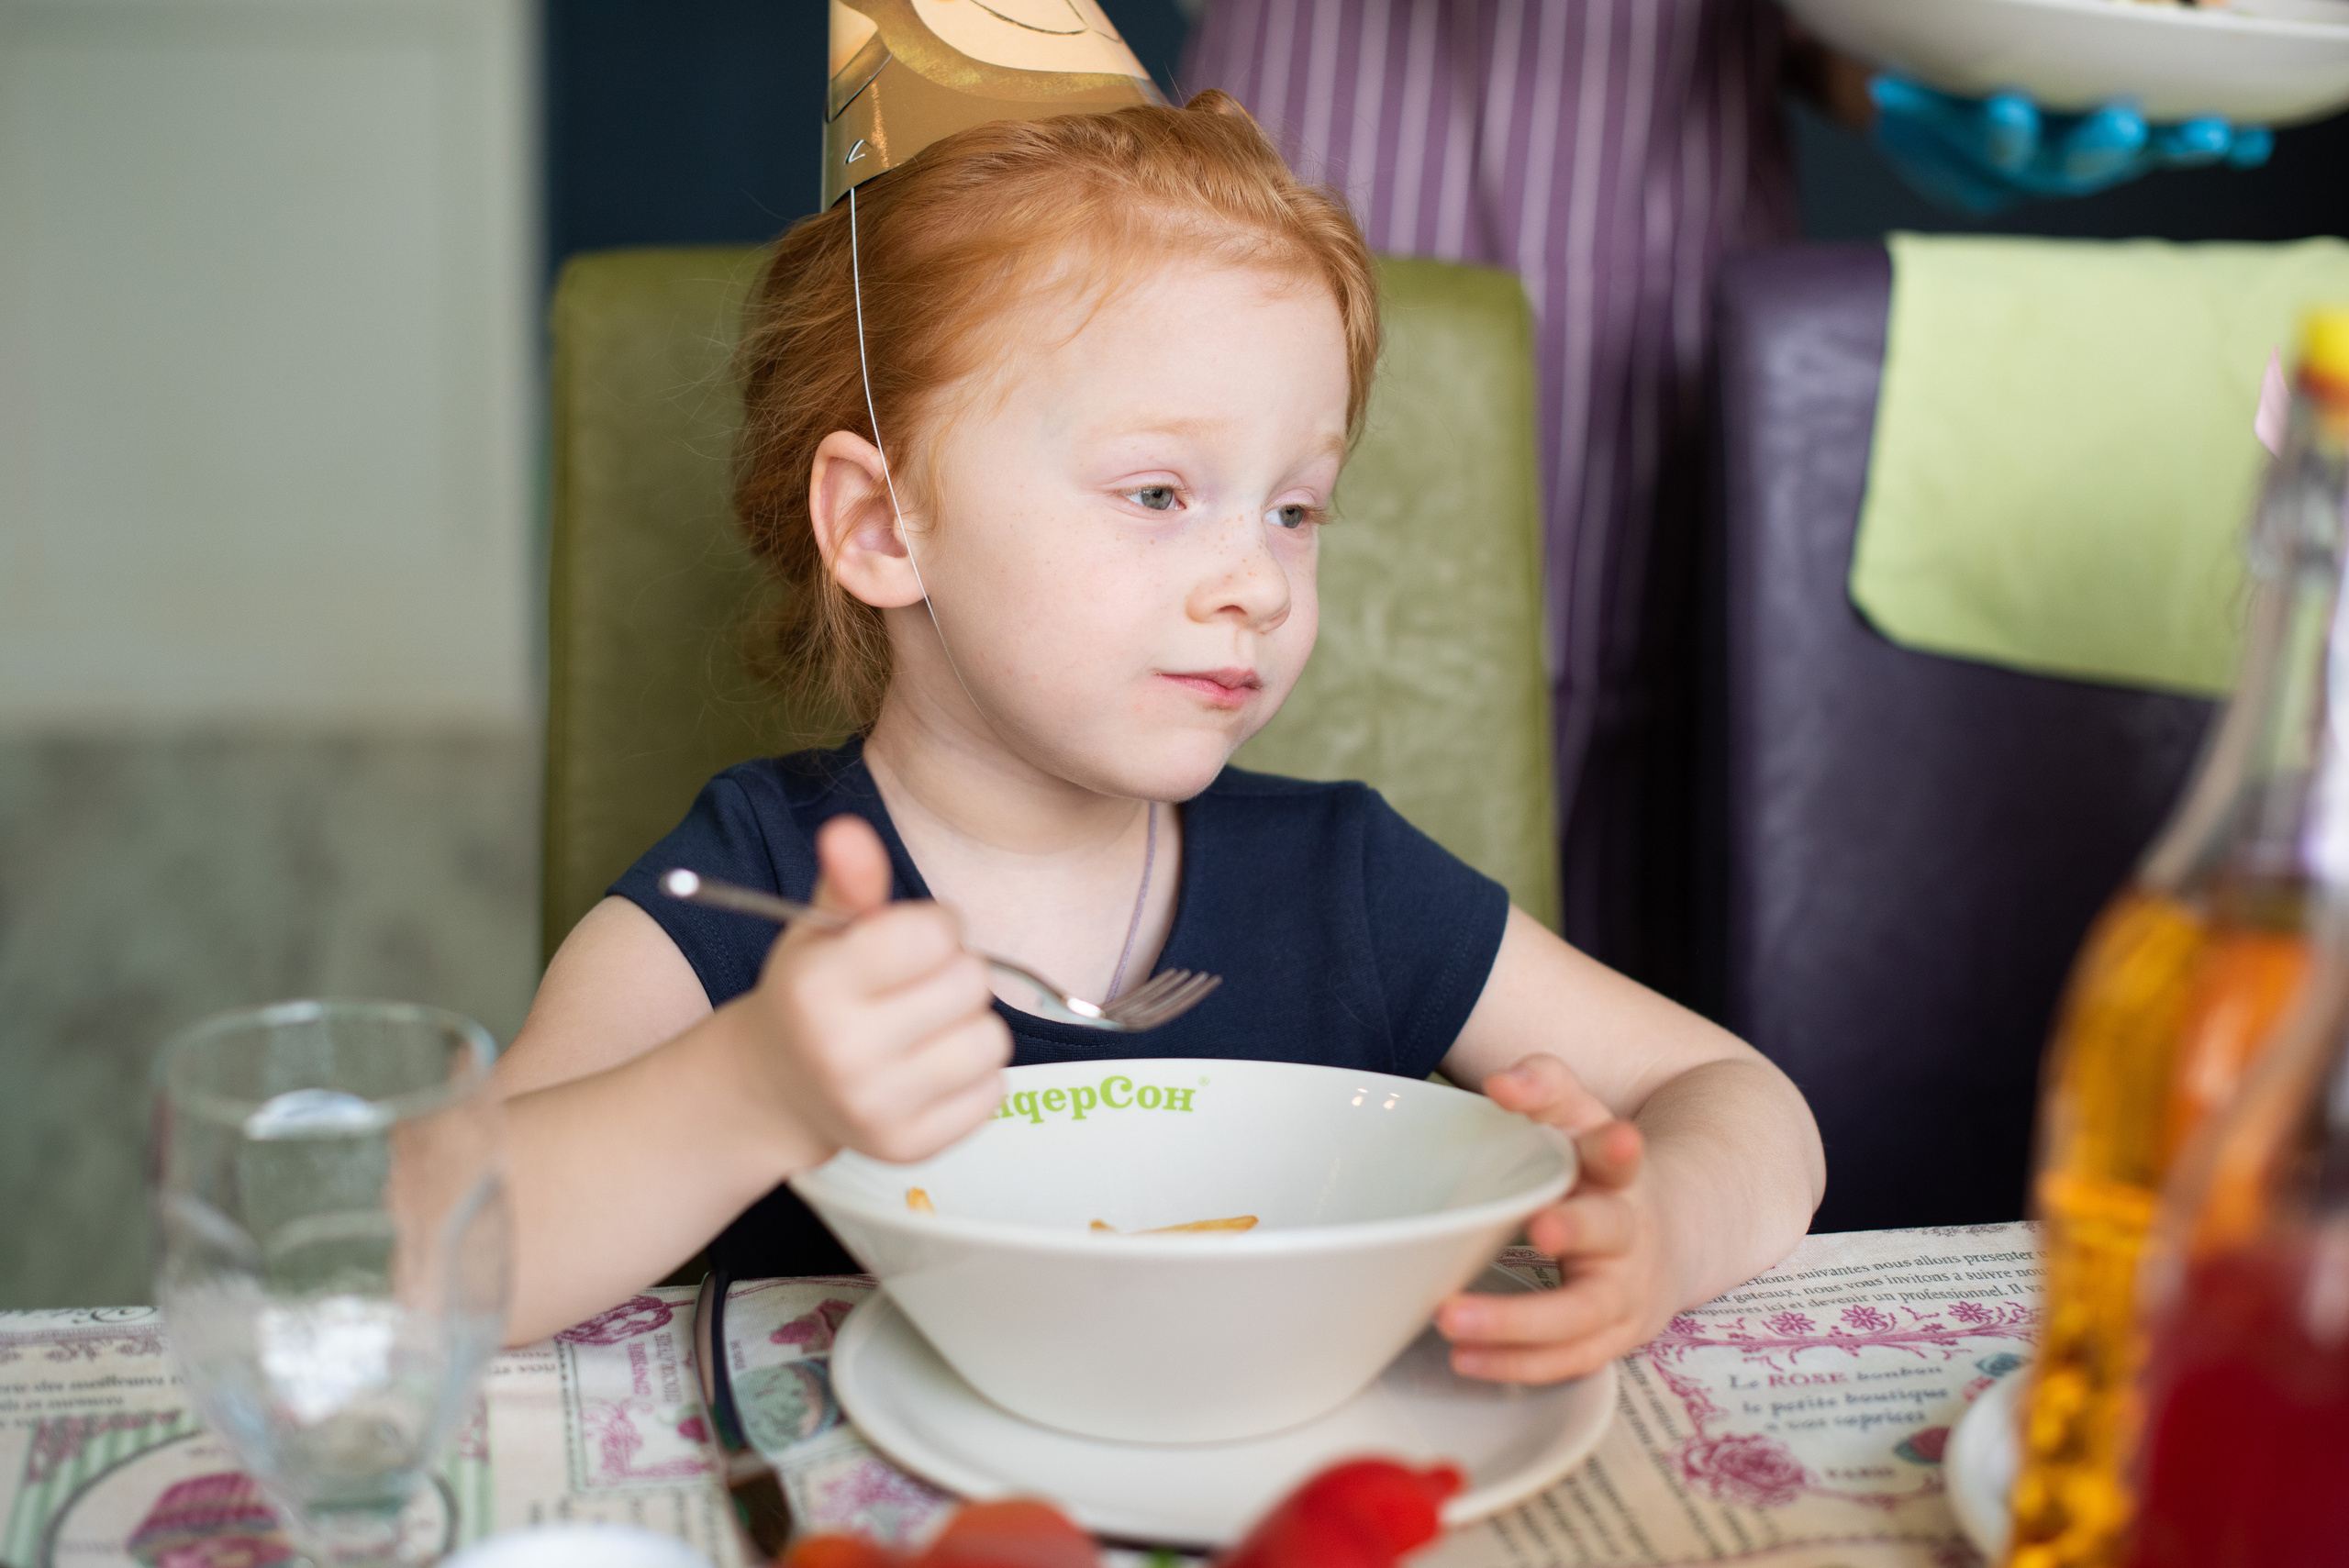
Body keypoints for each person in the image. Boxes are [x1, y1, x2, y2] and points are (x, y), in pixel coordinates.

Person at [492, 12, 1824, 1379]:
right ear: (885, 527)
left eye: (1295, 508)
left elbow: (1745, 1102)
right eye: (1158, 494)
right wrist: (749, 1087)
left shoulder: (1344, 882)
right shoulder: (744, 896)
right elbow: (429, 1249)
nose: (1255, 579)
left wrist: (1668, 1216)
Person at [1182, 0, 2276, 991]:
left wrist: (1946, 62)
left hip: (1674, 241)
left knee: (1647, 855)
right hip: (1312, 191)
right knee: (1259, 817)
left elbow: (1822, 34)